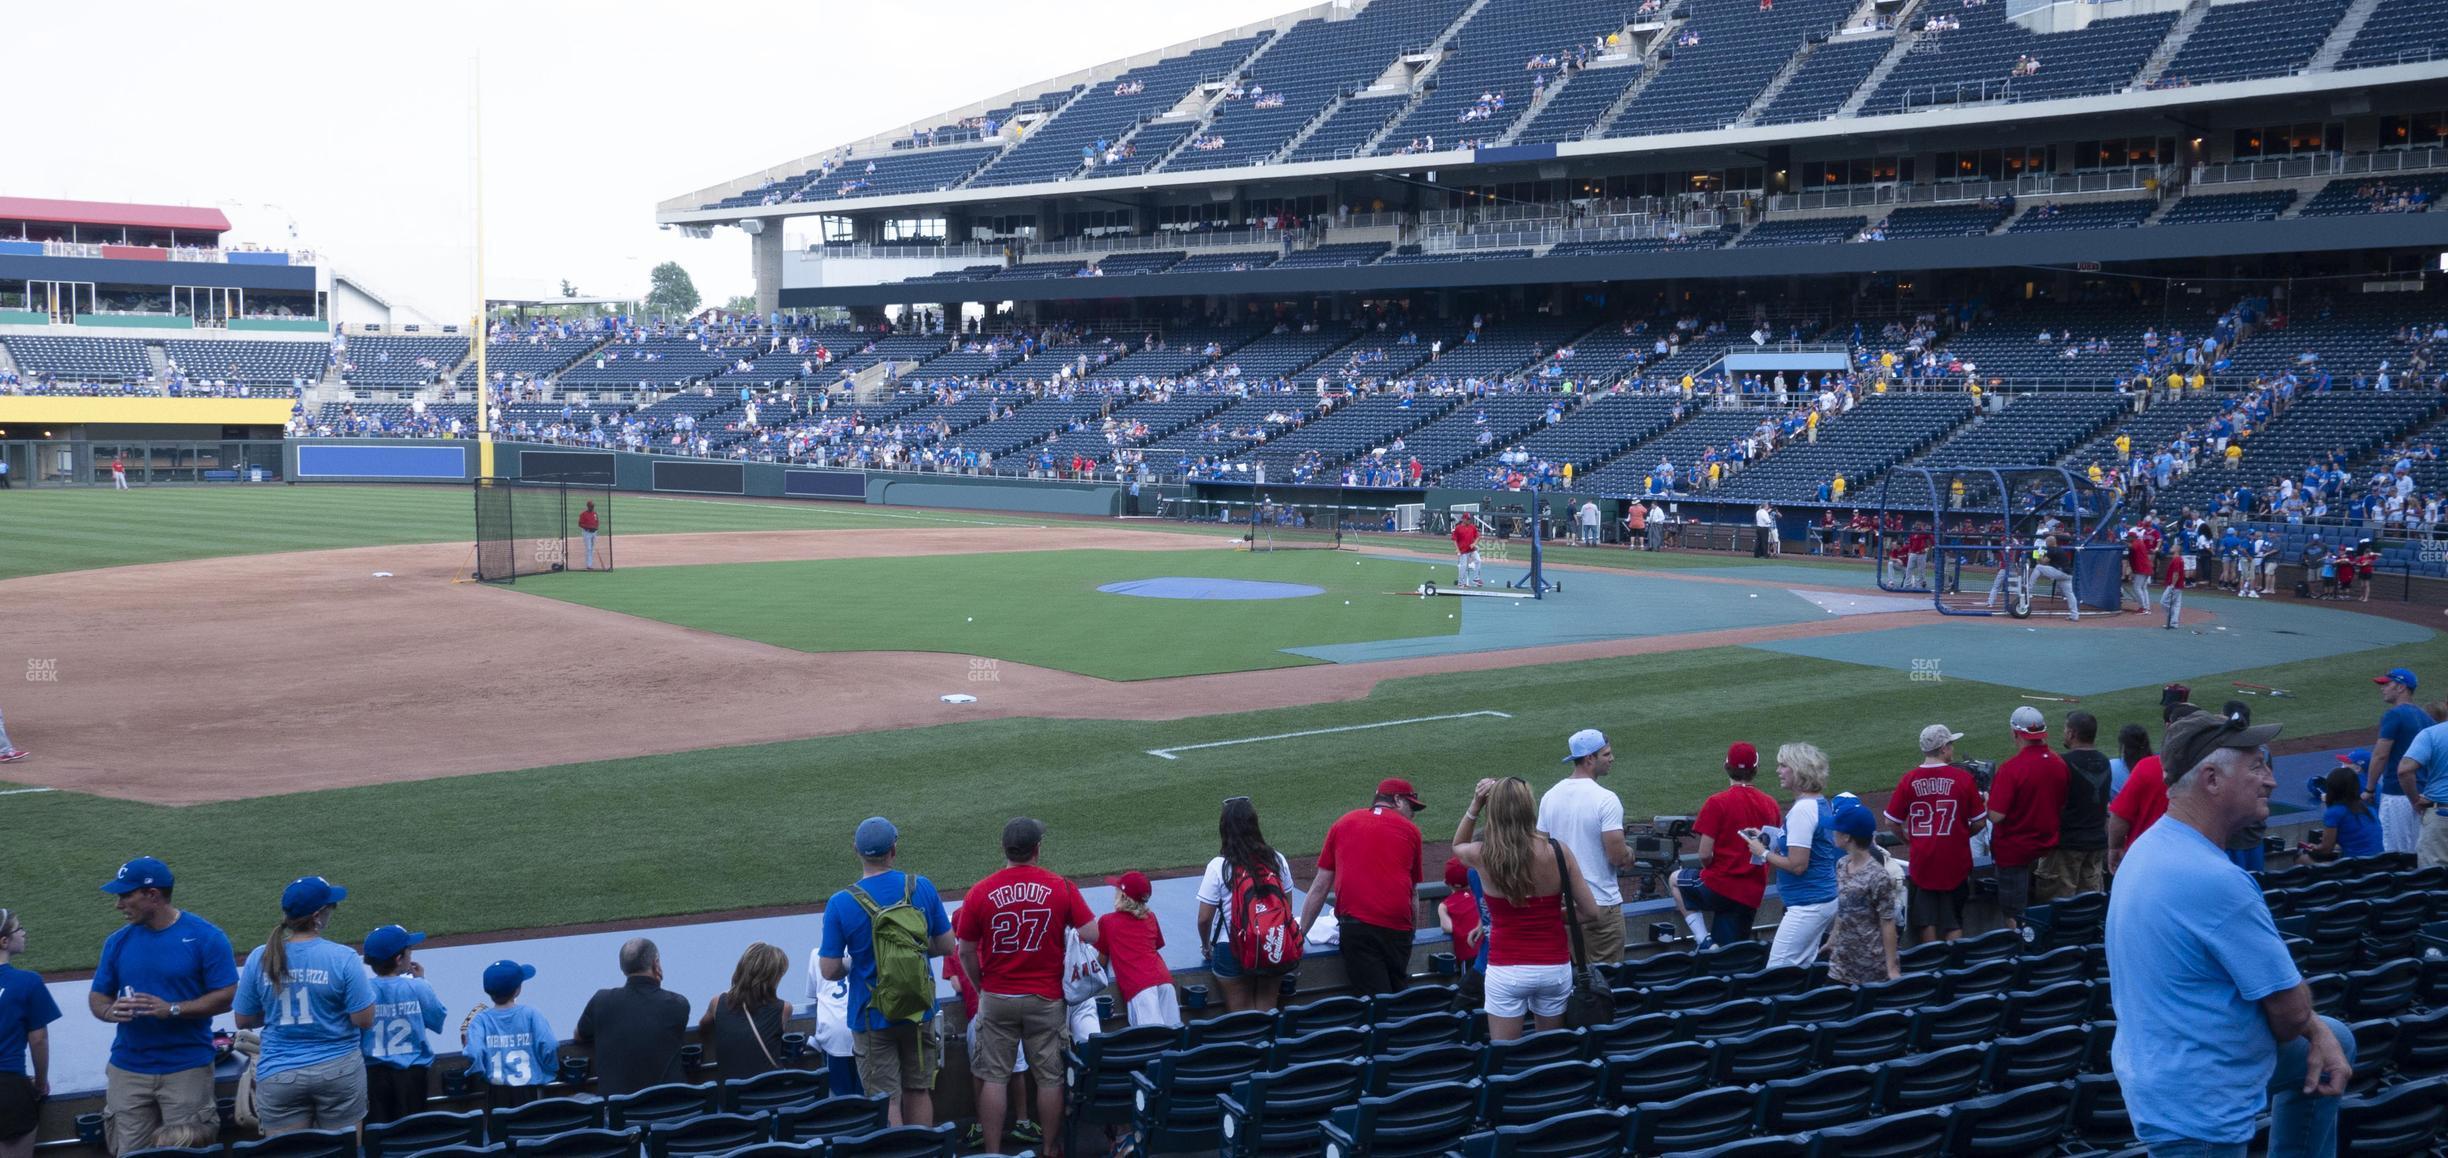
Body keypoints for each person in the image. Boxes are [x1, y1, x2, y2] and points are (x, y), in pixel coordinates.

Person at [2108, 711, 2354, 1155]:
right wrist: (2306, 1024)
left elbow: (2298, 1018)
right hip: (2197, 1107)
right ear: (2212, 779)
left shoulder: (2151, 845)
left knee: (2337, 1037)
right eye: (2257, 766)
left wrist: (2316, 1032)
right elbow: (2290, 1012)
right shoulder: (2214, 880)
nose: (2271, 781)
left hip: (2156, 1062)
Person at [955, 818, 1098, 1157]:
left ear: (1004, 849)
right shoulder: (1060, 886)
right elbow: (1091, 933)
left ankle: (993, 1151)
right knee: (1049, 1078)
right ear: (1037, 849)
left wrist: (982, 986)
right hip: (1046, 998)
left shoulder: (980, 891)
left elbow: (964, 950)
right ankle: (1049, 1148)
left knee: (994, 1077)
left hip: (997, 996)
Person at [816, 817, 961, 1129]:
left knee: (886, 1099)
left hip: (870, 1016)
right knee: (919, 1090)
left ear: (856, 850)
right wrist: (916, 951)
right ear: (894, 850)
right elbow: (948, 945)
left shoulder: (841, 903)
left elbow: (828, 970)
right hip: (919, 1008)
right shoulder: (920, 887)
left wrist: (854, 964)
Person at [89, 856, 237, 1155]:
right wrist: (108, 1011)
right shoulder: (117, 942)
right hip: (128, 1069)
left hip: (186, 1069)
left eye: (125, 895)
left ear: (152, 895)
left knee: (187, 1153)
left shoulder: (205, 937)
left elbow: (226, 995)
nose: (119, 905)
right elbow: (98, 996)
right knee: (129, 1153)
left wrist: (173, 1009)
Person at [1451, 778, 1601, 1042]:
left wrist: (1475, 805)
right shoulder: (1558, 852)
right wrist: (1552, 916)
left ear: (1493, 811)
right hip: (1554, 968)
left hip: (1506, 970)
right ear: (1529, 808)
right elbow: (1591, 912)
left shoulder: (1483, 854)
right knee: (1550, 1055)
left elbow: (1457, 846)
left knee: (1505, 1055)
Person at [234, 876, 377, 1135]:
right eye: (330, 908)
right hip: (338, 1070)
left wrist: (276, 1009)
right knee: (342, 1153)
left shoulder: (260, 957)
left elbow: (244, 1020)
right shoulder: (342, 957)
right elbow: (364, 1019)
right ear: (317, 916)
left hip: (279, 1074)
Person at [1298, 779, 1426, 995]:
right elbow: (1412, 892)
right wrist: (1411, 934)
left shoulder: (1343, 823)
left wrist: (1300, 934)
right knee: (1396, 996)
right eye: (1410, 806)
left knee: (1375, 1001)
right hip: (1398, 930)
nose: (1412, 813)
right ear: (1396, 800)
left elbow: (1320, 886)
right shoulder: (1411, 831)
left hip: (1357, 929)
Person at [1671, 742, 1781, 948]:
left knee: (1675, 879)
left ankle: (1703, 939)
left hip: (1718, 887)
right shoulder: (1771, 804)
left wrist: (1711, 872)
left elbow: (1704, 854)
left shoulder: (1717, 802)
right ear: (1755, 770)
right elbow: (1772, 849)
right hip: (1751, 893)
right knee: (1731, 954)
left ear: (1726, 766)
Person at [1883, 725, 1986, 943]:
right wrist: (1961, 834)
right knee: (1953, 920)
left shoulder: (1909, 779)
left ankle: (1931, 968)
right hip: (1955, 859)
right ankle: (1954, 968)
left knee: (1926, 920)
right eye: (1951, 744)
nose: (1953, 749)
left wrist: (1908, 840)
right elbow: (1979, 821)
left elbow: (1891, 822)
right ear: (1943, 749)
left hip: (1923, 859)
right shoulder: (1962, 779)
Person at [1195, 798, 1299, 1013]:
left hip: (1229, 947)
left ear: (1224, 829)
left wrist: (1206, 947)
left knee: (1241, 1019)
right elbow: (1286, 907)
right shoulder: (1277, 860)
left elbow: (1204, 918)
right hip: (1272, 944)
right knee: (1267, 1011)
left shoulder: (1219, 866)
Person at [1538, 730, 1629, 964]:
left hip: (1566, 907)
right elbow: (1617, 856)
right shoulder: (1606, 799)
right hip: (1601, 906)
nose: (1612, 759)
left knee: (1574, 981)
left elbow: (1541, 852)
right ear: (1589, 758)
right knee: (1606, 984)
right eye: (1606, 754)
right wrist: (1631, 853)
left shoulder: (1550, 796)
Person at [1747, 743, 1838, 969]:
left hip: (1808, 904)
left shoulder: (1802, 810)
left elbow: (1798, 865)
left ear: (1798, 770)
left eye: (1783, 765)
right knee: (1800, 969)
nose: (1778, 770)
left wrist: (1764, 852)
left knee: (1777, 973)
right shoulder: (1818, 802)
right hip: (1820, 899)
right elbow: (1810, 845)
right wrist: (1773, 838)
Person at [573, 938, 689, 1097]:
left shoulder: (601, 1000)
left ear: (622, 967)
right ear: (656, 964)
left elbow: (580, 1035)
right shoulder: (678, 1004)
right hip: (670, 1110)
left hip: (619, 1115)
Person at [1987, 707, 2069, 929]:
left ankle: (2021, 957)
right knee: (2044, 909)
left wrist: (1986, 799)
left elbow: (1996, 816)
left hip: (2014, 851)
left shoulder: (2011, 769)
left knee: (2016, 914)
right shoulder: (2058, 763)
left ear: (2016, 733)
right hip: (2047, 848)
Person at [360, 924, 445, 1126]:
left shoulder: (363, 989)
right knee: (412, 1133)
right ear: (399, 959)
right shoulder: (417, 986)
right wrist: (423, 981)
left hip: (373, 1077)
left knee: (377, 1134)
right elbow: (437, 1020)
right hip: (412, 1076)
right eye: (409, 950)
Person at [0, 909, 59, 1158]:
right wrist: (41, 1082)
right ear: (4, 941)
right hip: (9, 1088)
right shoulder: (28, 982)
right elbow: (38, 1040)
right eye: (18, 928)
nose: (23, 933)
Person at [459, 961, 555, 1107]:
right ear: (517, 990)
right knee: (534, 1127)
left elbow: (474, 1052)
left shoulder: (480, 1020)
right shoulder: (532, 1014)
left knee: (499, 1128)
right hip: (530, 1092)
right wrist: (549, 1071)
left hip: (497, 1093)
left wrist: (480, 1072)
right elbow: (550, 1045)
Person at [1823, 808, 1900, 985]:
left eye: (1837, 830)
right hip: (1840, 964)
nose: (1833, 832)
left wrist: (1892, 968)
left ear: (1847, 837)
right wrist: (1833, 938)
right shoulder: (1842, 865)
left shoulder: (1878, 876)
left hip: (1869, 967)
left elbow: (1887, 922)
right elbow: (1843, 909)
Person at [2042, 711, 2112, 900]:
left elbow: (2050, 803)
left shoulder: (2062, 763)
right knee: (2089, 904)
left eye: (2065, 729)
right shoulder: (2104, 762)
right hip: (2096, 844)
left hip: (2067, 845)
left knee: (2059, 904)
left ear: (2072, 733)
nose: (2063, 733)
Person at [1095, 872, 1179, 1028]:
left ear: (1124, 897)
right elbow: (1153, 947)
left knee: (1151, 1041)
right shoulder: (1151, 917)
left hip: (1141, 989)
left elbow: (1102, 960)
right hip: (1165, 982)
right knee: (1175, 1036)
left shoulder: (1107, 922)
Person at [700, 943, 789, 1079]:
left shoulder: (717, 1003)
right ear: (773, 977)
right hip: (772, 1093)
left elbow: (704, 1027)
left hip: (733, 1095)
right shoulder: (784, 1009)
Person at [2367, 668, 2427, 855]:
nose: (2382, 688)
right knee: (2417, 852)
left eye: (2387, 684)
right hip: (2423, 794)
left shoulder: (2394, 715)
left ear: (2401, 687)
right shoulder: (2427, 718)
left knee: (2394, 855)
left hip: (2397, 794)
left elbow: (2380, 755)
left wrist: (2369, 789)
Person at [2391, 712, 2448, 868]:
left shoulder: (2431, 734)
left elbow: (2404, 771)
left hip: (2442, 815)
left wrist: (2415, 800)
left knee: (2436, 877)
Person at [2300, 765, 2382, 862]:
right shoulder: (2368, 808)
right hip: (2380, 861)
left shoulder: (2334, 812)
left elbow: (2326, 849)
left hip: (2358, 865)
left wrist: (2315, 847)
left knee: (2301, 857)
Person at [1453, 512, 1483, 588]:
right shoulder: (1458, 528)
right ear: (1463, 519)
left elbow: (1478, 537)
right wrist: (1457, 549)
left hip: (1472, 549)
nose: (1469, 520)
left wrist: (1474, 544)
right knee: (1463, 566)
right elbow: (1454, 540)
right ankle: (1460, 583)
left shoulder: (1472, 527)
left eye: (1469, 519)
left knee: (1478, 561)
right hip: (1463, 550)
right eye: (1467, 519)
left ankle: (1476, 578)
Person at [578, 501, 601, 570]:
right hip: (587, 533)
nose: (592, 507)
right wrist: (588, 527)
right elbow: (580, 524)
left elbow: (597, 522)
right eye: (591, 506)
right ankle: (589, 565)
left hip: (594, 533)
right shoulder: (583, 514)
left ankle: (590, 564)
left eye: (593, 506)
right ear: (588, 506)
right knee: (588, 548)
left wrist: (596, 528)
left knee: (592, 548)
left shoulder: (595, 514)